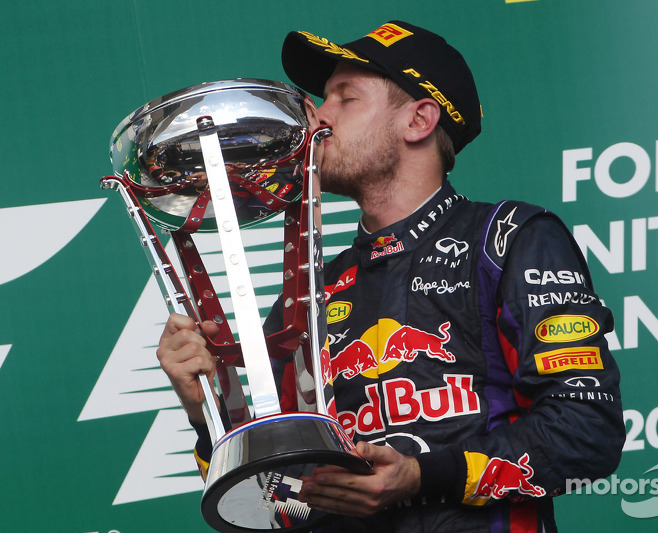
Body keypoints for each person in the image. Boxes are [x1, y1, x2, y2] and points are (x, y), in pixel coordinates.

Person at [157, 20, 625, 532]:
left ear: (419, 120)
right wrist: (208, 414)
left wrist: (421, 475)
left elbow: (586, 435)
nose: (317, 116)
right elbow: (269, 511)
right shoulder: (311, 289)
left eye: (344, 97)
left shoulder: (509, 239)